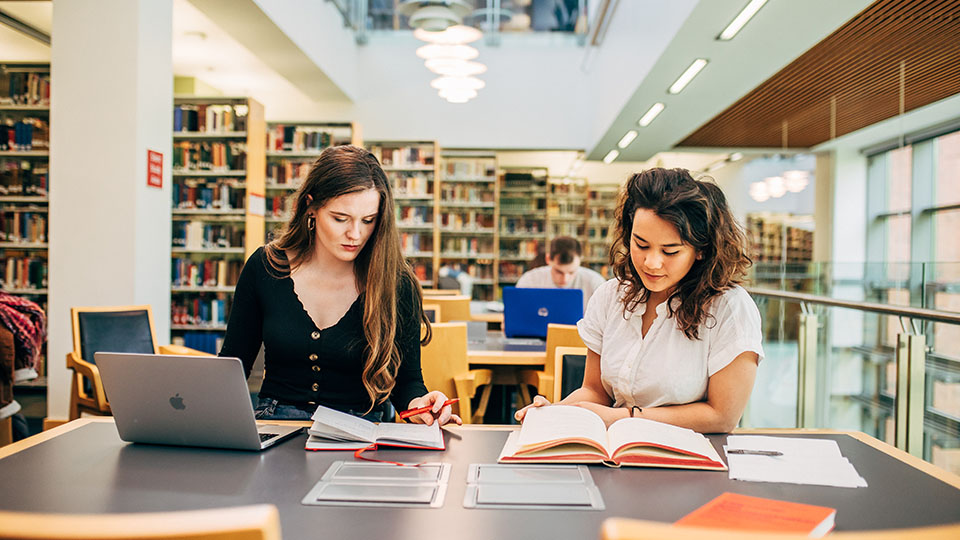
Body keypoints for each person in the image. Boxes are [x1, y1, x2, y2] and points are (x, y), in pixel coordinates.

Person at [220, 145, 460, 426]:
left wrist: (420, 405)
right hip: (276, 424)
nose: (355, 234)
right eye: (340, 218)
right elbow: (232, 366)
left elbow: (408, 383)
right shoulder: (266, 266)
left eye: (368, 221)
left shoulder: (396, 281)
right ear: (311, 206)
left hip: (362, 430)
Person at [516, 168, 763, 433]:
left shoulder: (730, 308)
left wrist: (623, 418)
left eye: (670, 251)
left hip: (691, 460)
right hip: (615, 452)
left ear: (700, 250)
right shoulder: (611, 296)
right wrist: (555, 412)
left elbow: (722, 416)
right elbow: (595, 391)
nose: (651, 263)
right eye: (641, 245)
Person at [516, 236, 605, 311]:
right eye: (558, 272)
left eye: (571, 272)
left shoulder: (595, 283)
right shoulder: (529, 280)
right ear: (548, 259)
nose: (565, 279)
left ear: (580, 261)